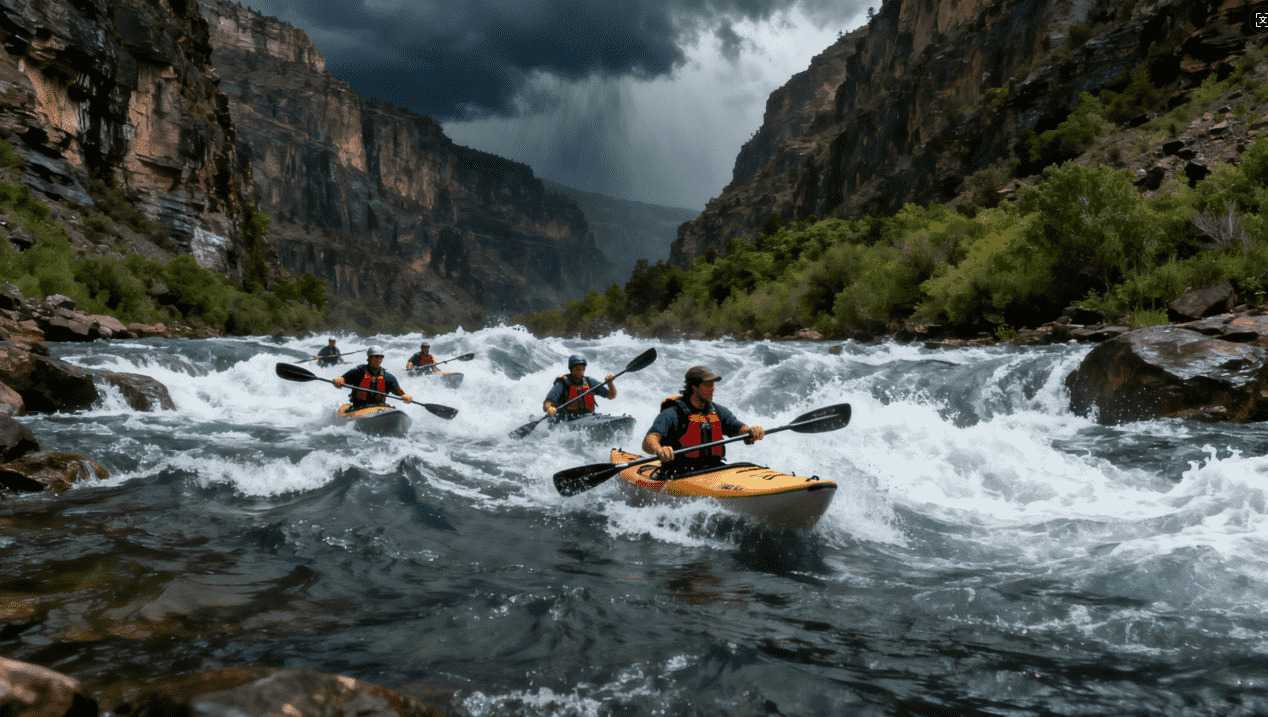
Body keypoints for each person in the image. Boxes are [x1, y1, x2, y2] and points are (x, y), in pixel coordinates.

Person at [642, 365, 765, 476]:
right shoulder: (673, 413)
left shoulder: (717, 411)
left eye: (713, 384)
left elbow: (739, 428)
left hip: (714, 469)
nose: (713, 388)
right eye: (708, 385)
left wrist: (751, 431)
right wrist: (659, 450)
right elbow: (649, 440)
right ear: (694, 387)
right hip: (679, 473)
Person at [333, 346, 411, 409]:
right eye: (376, 357)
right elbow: (342, 379)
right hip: (359, 407)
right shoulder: (358, 372)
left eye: (381, 357)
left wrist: (405, 396)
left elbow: (400, 392)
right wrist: (338, 380)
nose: (379, 359)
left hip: (379, 407)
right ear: (369, 358)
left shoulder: (387, 377)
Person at [543, 354, 616, 420]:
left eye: (583, 369)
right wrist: (549, 408)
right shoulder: (562, 383)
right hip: (568, 419)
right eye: (577, 369)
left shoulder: (589, 382)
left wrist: (610, 383)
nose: (580, 372)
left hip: (588, 417)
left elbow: (611, 396)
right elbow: (547, 403)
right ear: (571, 369)